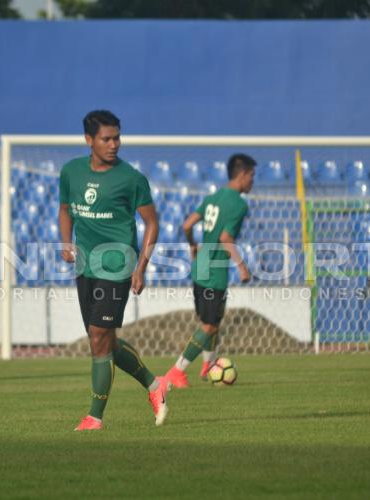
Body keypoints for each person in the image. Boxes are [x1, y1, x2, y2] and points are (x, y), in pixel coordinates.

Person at [59, 110, 168, 431]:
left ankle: (94, 417)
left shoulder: (131, 178)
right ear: (89, 140)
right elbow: (65, 210)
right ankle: (153, 384)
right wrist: (65, 242)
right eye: (106, 138)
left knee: (97, 336)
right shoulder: (71, 172)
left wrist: (141, 267)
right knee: (103, 342)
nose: (114, 144)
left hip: (118, 265)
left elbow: (152, 222)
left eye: (117, 137)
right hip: (84, 266)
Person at [164, 154, 256, 389]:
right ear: (243, 174)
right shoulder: (238, 203)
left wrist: (192, 245)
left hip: (200, 268)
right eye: (252, 176)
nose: (253, 181)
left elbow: (187, 225)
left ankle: (208, 364)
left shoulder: (212, 197)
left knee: (212, 322)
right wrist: (242, 267)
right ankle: (177, 371)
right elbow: (226, 237)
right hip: (214, 272)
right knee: (208, 326)